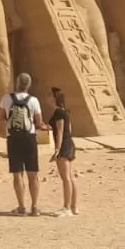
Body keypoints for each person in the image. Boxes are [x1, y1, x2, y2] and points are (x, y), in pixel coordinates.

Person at [0, 73, 48, 215]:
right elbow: (39, 122)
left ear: (17, 83)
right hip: (29, 137)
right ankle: (34, 207)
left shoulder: (6, 98)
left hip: (13, 137)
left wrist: (8, 128)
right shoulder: (34, 100)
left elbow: (1, 118)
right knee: (33, 174)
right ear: (29, 85)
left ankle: (21, 207)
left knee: (17, 174)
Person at [47, 87, 78, 217]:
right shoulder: (65, 111)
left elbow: (59, 131)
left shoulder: (59, 112)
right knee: (70, 177)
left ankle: (66, 208)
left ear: (55, 98)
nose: (47, 97)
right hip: (69, 143)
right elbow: (66, 129)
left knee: (65, 178)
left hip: (64, 145)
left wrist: (57, 150)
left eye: (49, 95)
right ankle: (74, 207)